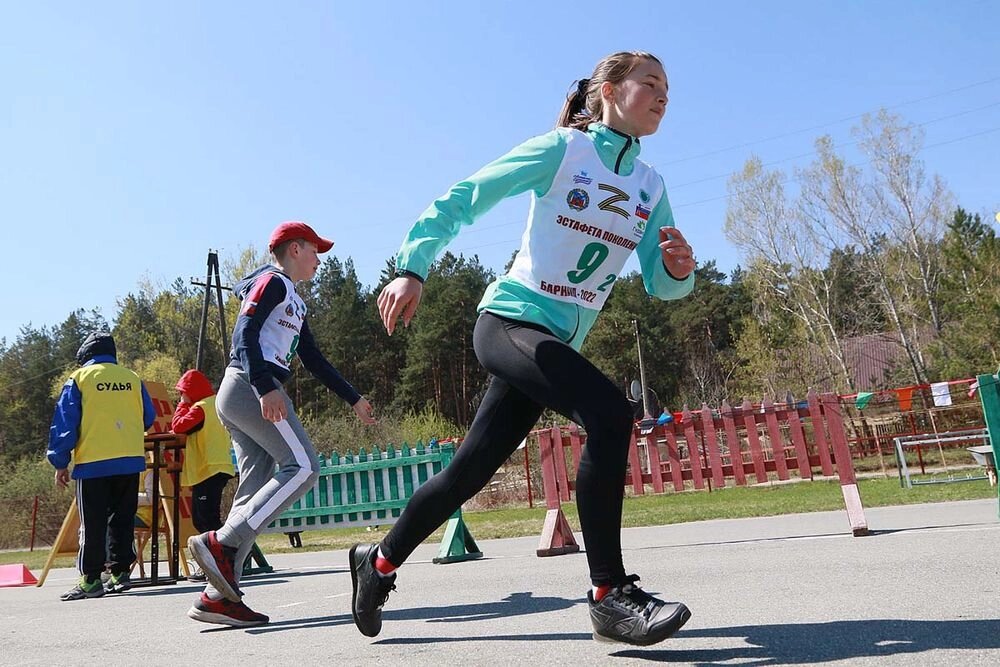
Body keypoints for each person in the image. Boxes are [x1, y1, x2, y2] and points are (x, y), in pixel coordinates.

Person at [351, 51, 697, 646]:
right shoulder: (564, 150)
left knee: (466, 474)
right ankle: (609, 595)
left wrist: (678, 269)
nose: (665, 94)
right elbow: (468, 194)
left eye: (669, 86)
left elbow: (662, 284)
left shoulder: (649, 184)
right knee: (611, 414)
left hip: (552, 344)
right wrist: (413, 266)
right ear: (609, 90)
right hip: (510, 323)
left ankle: (377, 562)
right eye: (651, 83)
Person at [186, 221, 377, 627]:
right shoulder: (272, 282)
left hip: (247, 392)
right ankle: (219, 543)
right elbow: (244, 332)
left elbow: (314, 359)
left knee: (253, 491)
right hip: (250, 387)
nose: (319, 259)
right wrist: (264, 387)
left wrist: (354, 398)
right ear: (294, 249)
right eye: (314, 250)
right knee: (304, 467)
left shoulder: (294, 300)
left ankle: (217, 597)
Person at [46, 331, 156, 600]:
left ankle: (91, 579)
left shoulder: (80, 379)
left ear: (85, 355)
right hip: (130, 460)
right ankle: (121, 574)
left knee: (93, 522)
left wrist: (60, 462)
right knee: (122, 519)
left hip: (94, 462)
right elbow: (148, 418)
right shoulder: (132, 378)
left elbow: (65, 424)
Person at [170, 368, 235, 582]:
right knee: (205, 518)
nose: (181, 396)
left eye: (182, 392)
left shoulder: (199, 408)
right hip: (218, 466)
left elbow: (179, 426)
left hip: (208, 469)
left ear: (191, 391)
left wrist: (182, 405)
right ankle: (220, 562)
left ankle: (219, 564)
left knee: (206, 520)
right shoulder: (215, 404)